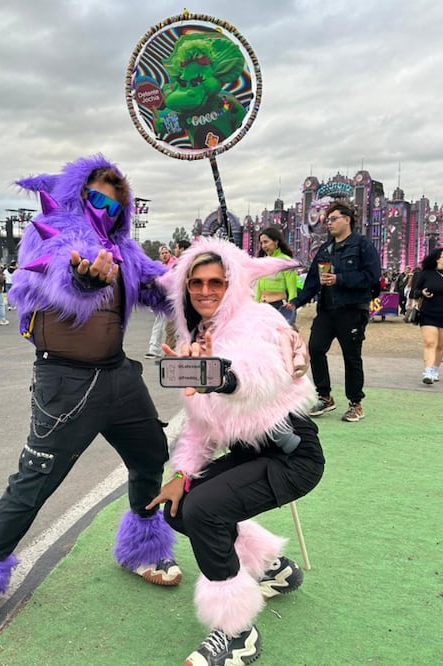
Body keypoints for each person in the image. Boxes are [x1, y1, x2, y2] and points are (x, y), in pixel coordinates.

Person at [0, 156, 179, 633]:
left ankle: (143, 548)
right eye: (96, 199)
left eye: (116, 206)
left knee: (150, 456)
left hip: (120, 378)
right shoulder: (51, 233)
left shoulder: (126, 250)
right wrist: (84, 280)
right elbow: (56, 273)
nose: (106, 211)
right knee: (35, 480)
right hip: (65, 384)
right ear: (76, 196)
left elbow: (164, 289)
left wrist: (206, 281)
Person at [149, 239, 324, 666]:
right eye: (196, 283)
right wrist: (183, 473)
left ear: (233, 284)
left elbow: (262, 371)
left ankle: (237, 633)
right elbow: (201, 426)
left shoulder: (259, 319)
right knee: (177, 507)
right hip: (250, 455)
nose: (205, 291)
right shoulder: (198, 337)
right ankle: (272, 569)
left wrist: (221, 377)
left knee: (204, 509)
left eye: (217, 282)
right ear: (185, 288)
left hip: (291, 452)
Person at [284, 201, 380, 422]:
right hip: (327, 310)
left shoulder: (362, 245)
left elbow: (372, 275)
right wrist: (296, 302)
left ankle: (356, 403)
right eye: (327, 220)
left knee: (351, 356)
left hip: (352, 310)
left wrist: (340, 279)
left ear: (347, 219)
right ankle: (325, 396)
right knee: (316, 349)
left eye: (333, 219)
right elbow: (312, 282)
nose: (329, 224)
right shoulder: (325, 249)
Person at [410, 248, 443, 384]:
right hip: (429, 313)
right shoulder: (426, 274)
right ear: (437, 258)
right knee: (430, 343)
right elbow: (414, 291)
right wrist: (421, 293)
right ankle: (428, 371)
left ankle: (435, 369)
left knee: (441, 345)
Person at [254, 227, 299, 325]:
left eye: (266, 242)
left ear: (276, 242)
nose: (263, 246)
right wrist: (254, 305)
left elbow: (292, 288)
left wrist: (291, 304)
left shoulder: (285, 261)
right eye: (261, 243)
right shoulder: (262, 262)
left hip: (279, 306)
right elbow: (258, 287)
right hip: (262, 307)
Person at [146, 245, 177, 358]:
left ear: (170, 253)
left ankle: (171, 350)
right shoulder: (159, 267)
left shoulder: (175, 264)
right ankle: (154, 349)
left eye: (166, 252)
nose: (164, 255)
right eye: (162, 253)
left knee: (172, 327)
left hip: (173, 299)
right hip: (162, 300)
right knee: (159, 323)